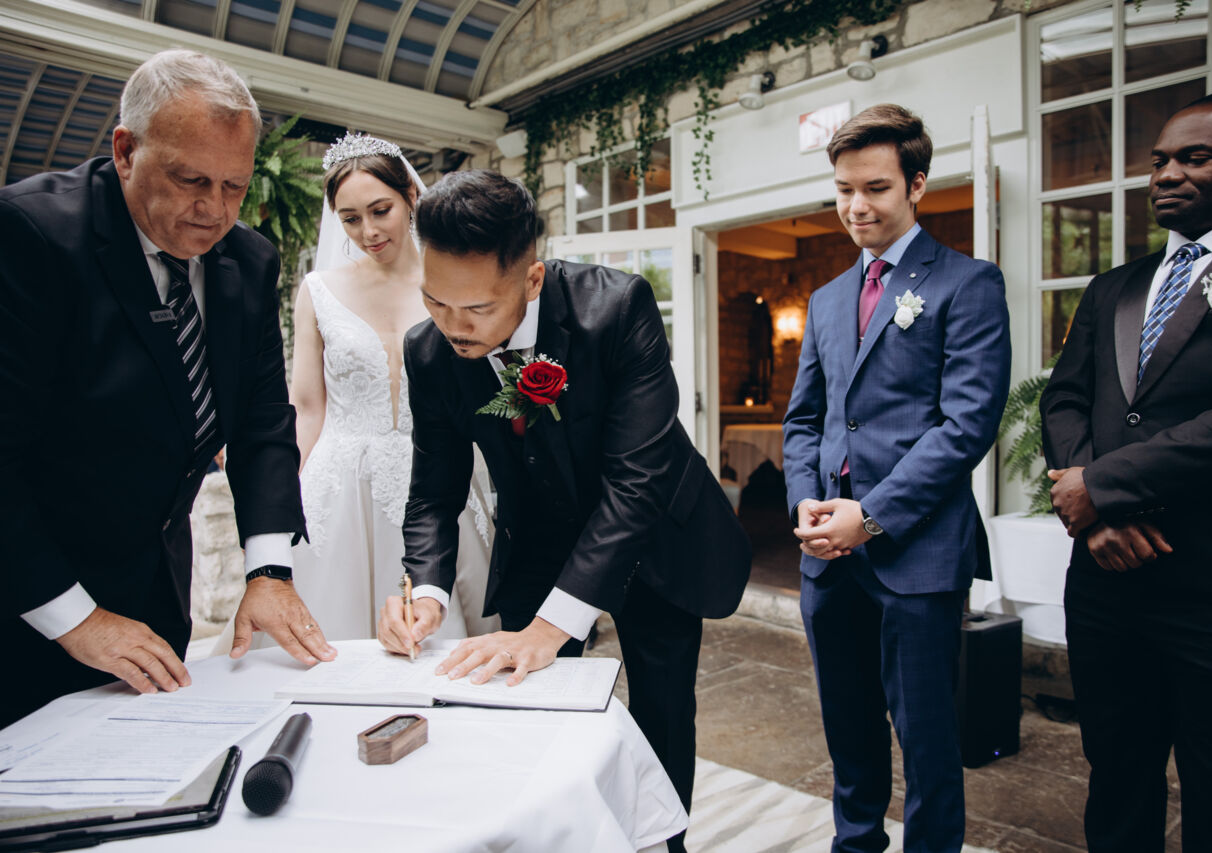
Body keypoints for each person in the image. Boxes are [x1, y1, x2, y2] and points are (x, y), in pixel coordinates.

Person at [375, 169, 752, 850]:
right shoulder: (428, 351)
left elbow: (635, 482)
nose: (454, 326)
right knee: (529, 708)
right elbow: (434, 488)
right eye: (435, 300)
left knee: (663, 710)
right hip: (539, 537)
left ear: (532, 280)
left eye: (477, 308)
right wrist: (425, 592)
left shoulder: (618, 309)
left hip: (654, 535)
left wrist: (552, 626)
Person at [0, 49, 334, 729]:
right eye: (191, 180)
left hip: (156, 592)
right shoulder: (31, 235)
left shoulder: (249, 260)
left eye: (235, 186)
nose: (215, 210)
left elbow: (263, 421)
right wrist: (77, 619)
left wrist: (268, 571)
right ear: (126, 151)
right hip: (31, 600)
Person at [1041, 91, 1212, 853]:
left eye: (1195, 158)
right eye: (1160, 160)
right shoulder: (1114, 286)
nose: (1167, 174)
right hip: (1106, 583)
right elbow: (1064, 398)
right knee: (1116, 775)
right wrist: (1094, 511)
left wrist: (1104, 487)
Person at [781, 104, 1011, 853]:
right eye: (844, 189)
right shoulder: (825, 300)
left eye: (875, 187)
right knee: (847, 728)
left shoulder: (968, 283)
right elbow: (804, 421)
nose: (856, 206)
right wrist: (805, 504)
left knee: (927, 737)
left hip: (916, 552)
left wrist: (871, 516)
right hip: (827, 557)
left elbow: (966, 424)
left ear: (916, 184)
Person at [288, 132, 497, 640]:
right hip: (340, 490)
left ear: (409, 197)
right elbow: (307, 408)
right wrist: (283, 497)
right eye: (350, 218)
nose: (368, 231)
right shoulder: (318, 291)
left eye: (380, 211)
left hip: (437, 474)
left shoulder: (453, 282)